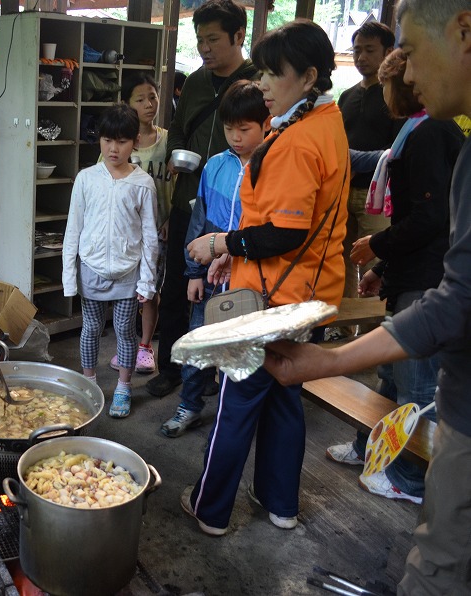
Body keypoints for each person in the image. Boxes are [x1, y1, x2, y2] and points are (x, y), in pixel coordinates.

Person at [264, 2, 471, 592]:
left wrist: (327, 361)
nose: (402, 72)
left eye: (408, 50)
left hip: (460, 397)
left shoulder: (431, 130)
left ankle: (402, 472)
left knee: (437, 566)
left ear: (463, 30)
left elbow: (456, 298)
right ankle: (377, 451)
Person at [181, 19, 349, 536]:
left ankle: (210, 509)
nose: (266, 85)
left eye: (276, 74)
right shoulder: (328, 123)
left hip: (272, 297)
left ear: (310, 76)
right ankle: (281, 504)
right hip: (307, 295)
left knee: (237, 399)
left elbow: (285, 232)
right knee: (283, 397)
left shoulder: (298, 141)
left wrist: (222, 243)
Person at [326, 49, 463, 504]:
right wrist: (384, 268)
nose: (384, 96)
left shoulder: (430, 132)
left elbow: (430, 217)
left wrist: (377, 247)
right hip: (409, 272)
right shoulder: (414, 130)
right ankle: (370, 448)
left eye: (388, 85)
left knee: (417, 385)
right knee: (389, 376)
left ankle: (410, 477)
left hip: (428, 277)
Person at [148, 0, 258, 398]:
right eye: (200, 40)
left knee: (228, 291)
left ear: (238, 36)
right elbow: (176, 129)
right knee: (178, 285)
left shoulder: (257, 82)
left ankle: (215, 373)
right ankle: (173, 367)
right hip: (188, 201)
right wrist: (178, 154)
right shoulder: (194, 82)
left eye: (213, 39)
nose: (204, 48)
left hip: (232, 211)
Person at [161, 80, 269, 438]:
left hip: (250, 276)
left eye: (244, 129)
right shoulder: (214, 167)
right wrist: (194, 271)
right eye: (228, 129)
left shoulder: (272, 167)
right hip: (210, 274)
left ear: (266, 124)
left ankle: (233, 415)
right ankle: (189, 405)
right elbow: (199, 221)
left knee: (242, 349)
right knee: (199, 340)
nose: (235, 137)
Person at [62, 103, 159, 418]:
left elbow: (150, 237)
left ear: (135, 142)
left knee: (124, 330)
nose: (113, 148)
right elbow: (73, 229)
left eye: (121, 141)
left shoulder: (143, 183)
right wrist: (68, 277)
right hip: (91, 266)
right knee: (90, 326)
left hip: (128, 270)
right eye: (107, 140)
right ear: (99, 139)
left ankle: (123, 387)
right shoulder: (86, 178)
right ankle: (89, 383)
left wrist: (147, 280)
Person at [334, 21, 404, 335]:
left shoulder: (396, 95)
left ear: (389, 52)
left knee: (379, 260)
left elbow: (397, 151)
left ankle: (375, 331)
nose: (361, 57)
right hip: (343, 190)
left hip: (379, 195)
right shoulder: (346, 96)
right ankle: (345, 327)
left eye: (369, 50)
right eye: (357, 50)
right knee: (343, 260)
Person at [106, 73, 171, 375]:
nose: (149, 104)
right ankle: (126, 345)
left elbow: (177, 184)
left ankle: (145, 347)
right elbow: (104, 181)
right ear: (127, 104)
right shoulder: (120, 143)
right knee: (128, 290)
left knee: (152, 289)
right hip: (126, 231)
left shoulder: (168, 140)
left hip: (158, 229)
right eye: (140, 99)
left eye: (153, 97)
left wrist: (169, 218)